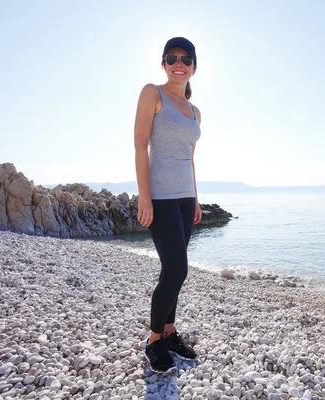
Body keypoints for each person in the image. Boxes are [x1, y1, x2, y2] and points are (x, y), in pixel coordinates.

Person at [134, 37, 202, 374]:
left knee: (171, 271)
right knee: (177, 269)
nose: (179, 63)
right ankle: (153, 340)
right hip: (160, 198)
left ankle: (170, 333)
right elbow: (139, 146)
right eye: (172, 57)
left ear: (193, 67)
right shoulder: (152, 93)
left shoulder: (195, 111)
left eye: (186, 58)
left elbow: (190, 159)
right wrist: (143, 195)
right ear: (164, 63)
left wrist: (197, 199)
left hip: (186, 200)